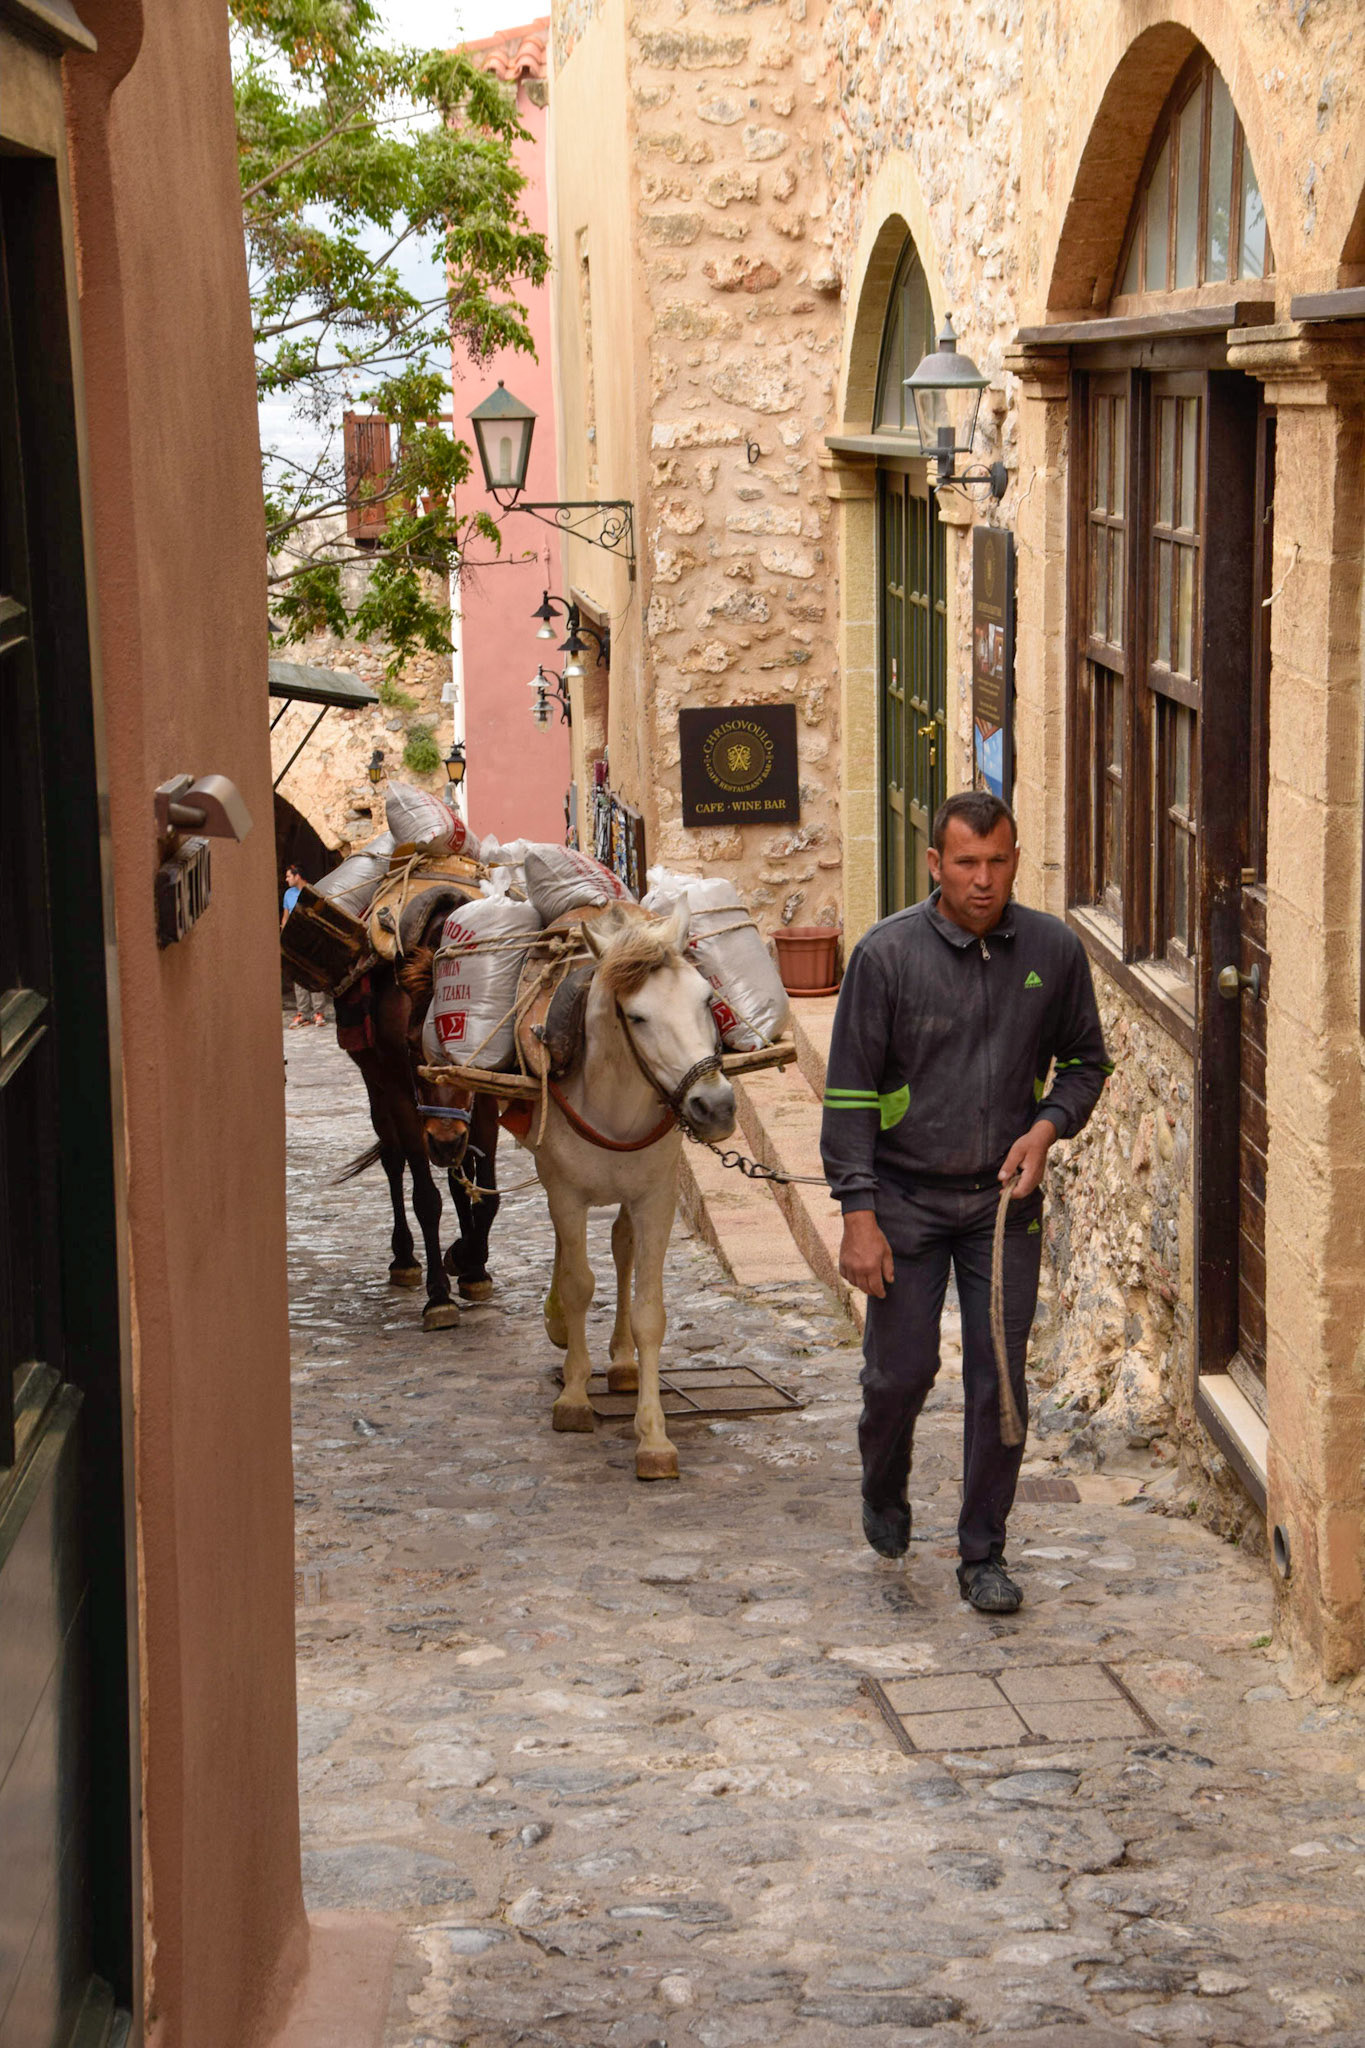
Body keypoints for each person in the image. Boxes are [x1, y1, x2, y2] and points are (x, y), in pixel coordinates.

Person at [820, 792, 1111, 1614]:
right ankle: (884, 1482)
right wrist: (858, 1213)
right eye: (964, 864)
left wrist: (1047, 1128)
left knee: (998, 1383)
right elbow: (847, 1096)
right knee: (896, 1376)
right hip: (903, 1203)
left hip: (1000, 1210)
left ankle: (983, 1552)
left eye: (997, 862)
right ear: (934, 865)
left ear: (1015, 859)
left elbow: (1088, 1063)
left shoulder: (1052, 951)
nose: (982, 881)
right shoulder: (886, 956)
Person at [281, 864, 327, 1027]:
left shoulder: (313, 892)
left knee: (314, 974)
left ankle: (318, 1012)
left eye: (288, 876)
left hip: (312, 939)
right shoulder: (288, 894)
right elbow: (285, 916)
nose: (286, 880)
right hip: (295, 939)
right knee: (298, 975)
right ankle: (303, 1013)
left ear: (297, 876)